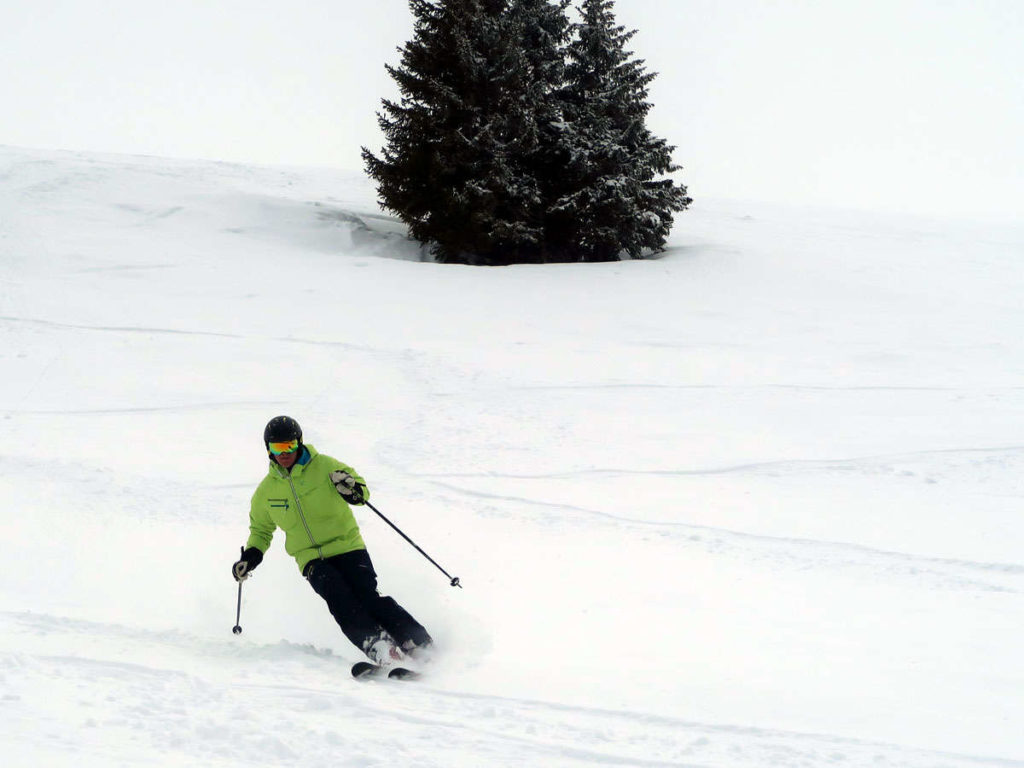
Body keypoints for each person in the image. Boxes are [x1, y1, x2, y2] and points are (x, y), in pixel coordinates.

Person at [232, 415, 433, 668]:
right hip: (310, 558)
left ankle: (419, 643)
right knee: (339, 598)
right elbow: (261, 530)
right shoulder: (266, 492)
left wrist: (352, 489)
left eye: (289, 446)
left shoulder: (326, 466)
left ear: (300, 443)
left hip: (348, 546)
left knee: (367, 596)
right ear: (268, 449)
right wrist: (250, 558)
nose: (284, 453)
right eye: (277, 447)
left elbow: (361, 493)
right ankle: (378, 646)